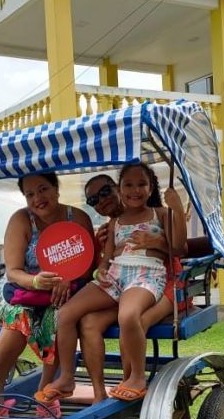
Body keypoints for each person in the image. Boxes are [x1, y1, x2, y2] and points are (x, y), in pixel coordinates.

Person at [36, 164, 186, 404]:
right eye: (128, 185)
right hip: (115, 275)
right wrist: (102, 270)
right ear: (122, 188)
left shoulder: (160, 214)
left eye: (141, 185)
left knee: (128, 316)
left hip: (145, 274)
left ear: (150, 188)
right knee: (64, 315)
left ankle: (136, 377)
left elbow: (179, 248)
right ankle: (67, 377)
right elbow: (106, 260)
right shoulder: (114, 224)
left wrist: (174, 213)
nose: (134, 190)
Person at [0, 172, 94, 401]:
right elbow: (13, 272)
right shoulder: (21, 220)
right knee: (20, 320)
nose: (37, 198)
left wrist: (69, 276)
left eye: (42, 189)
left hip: (61, 290)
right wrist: (36, 281)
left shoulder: (77, 218)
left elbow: (89, 263)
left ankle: (46, 391)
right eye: (29, 194)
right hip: (17, 290)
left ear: (56, 189)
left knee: (59, 317)